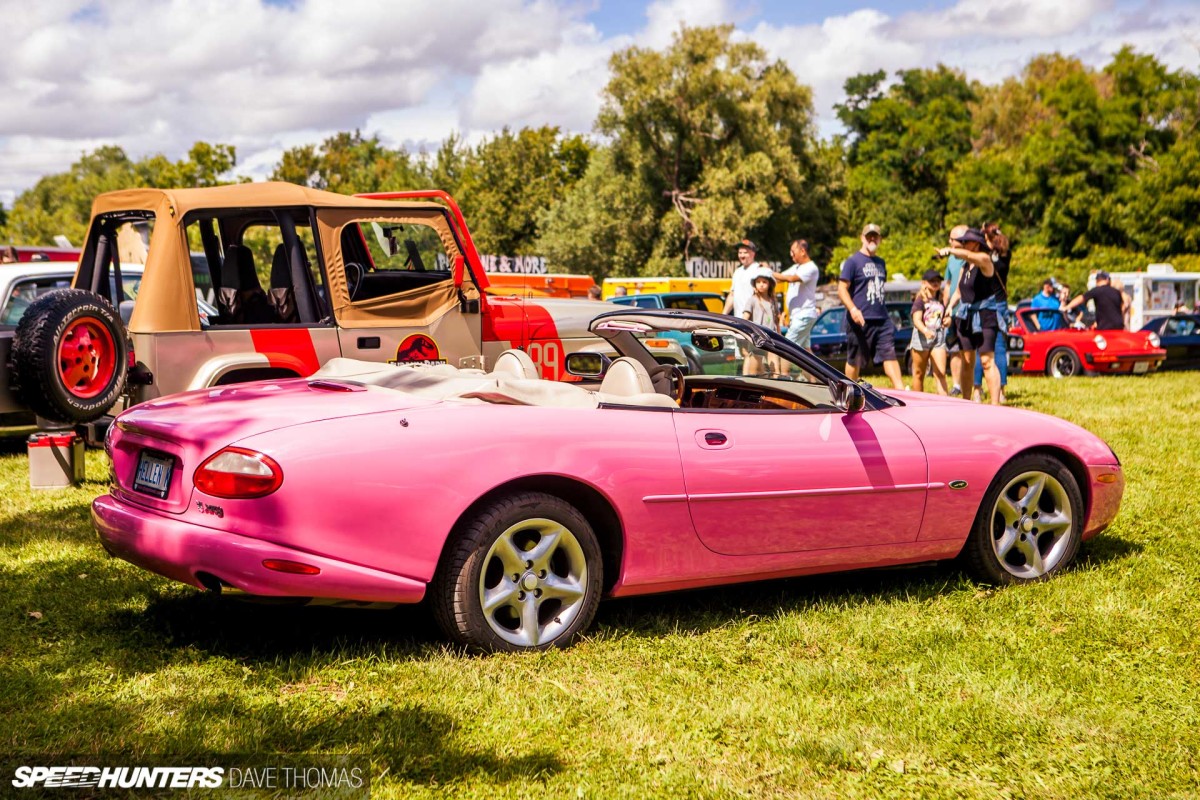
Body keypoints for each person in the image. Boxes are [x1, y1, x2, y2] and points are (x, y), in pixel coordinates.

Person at [942, 227, 1006, 405]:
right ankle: (966, 403)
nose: (963, 245)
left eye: (966, 242)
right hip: (966, 316)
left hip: (985, 315)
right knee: (967, 361)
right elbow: (959, 292)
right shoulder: (965, 267)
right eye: (961, 242)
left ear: (976, 244)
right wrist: (950, 307)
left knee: (987, 361)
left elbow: (971, 257)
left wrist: (951, 250)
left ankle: (995, 405)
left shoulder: (985, 260)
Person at [838, 223, 904, 390]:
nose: (872, 239)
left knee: (890, 355)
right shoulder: (852, 262)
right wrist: (853, 309)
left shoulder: (881, 262)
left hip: (882, 319)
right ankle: (848, 392)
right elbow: (841, 288)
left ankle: (901, 390)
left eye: (875, 236)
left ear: (880, 239)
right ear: (862, 238)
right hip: (859, 320)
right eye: (869, 236)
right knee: (855, 358)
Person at [775, 239, 821, 349]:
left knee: (787, 349)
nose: (791, 255)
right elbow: (781, 277)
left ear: (803, 251)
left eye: (793, 251)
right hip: (798, 316)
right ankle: (816, 367)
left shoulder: (811, 267)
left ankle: (782, 367)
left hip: (803, 316)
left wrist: (768, 271)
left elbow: (791, 278)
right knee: (806, 352)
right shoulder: (797, 267)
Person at [909, 269, 949, 394]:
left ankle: (945, 403)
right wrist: (925, 331)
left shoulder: (941, 297)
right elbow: (916, 320)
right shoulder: (920, 299)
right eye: (932, 281)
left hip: (938, 337)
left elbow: (944, 317)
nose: (936, 283)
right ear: (924, 283)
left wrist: (948, 320)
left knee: (941, 372)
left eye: (938, 280)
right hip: (922, 338)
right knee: (919, 373)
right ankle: (918, 402)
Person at [941, 224, 969, 396]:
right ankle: (956, 385)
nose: (949, 241)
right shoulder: (951, 260)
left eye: (952, 239)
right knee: (952, 348)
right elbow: (948, 284)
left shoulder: (969, 257)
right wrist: (945, 307)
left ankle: (971, 384)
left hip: (965, 310)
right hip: (951, 310)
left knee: (967, 349)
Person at [1063, 271, 1128, 330]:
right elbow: (1123, 307)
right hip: (1119, 327)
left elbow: (1081, 298)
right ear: (1107, 279)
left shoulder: (1097, 290)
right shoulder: (1116, 292)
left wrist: (1067, 307)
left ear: (1097, 281)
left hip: (1105, 328)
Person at [723, 239, 771, 318]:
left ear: (753, 254)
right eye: (740, 253)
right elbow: (732, 295)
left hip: (754, 321)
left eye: (745, 253)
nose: (742, 255)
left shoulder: (759, 270)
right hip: (738, 319)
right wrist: (723, 314)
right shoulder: (737, 272)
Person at [742, 273, 779, 375]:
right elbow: (745, 318)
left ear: (770, 284)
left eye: (764, 282)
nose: (761, 284)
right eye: (758, 282)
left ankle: (777, 385)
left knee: (774, 368)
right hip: (756, 339)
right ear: (754, 285)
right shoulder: (752, 300)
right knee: (755, 367)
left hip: (771, 338)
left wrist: (779, 336)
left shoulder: (773, 301)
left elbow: (776, 321)